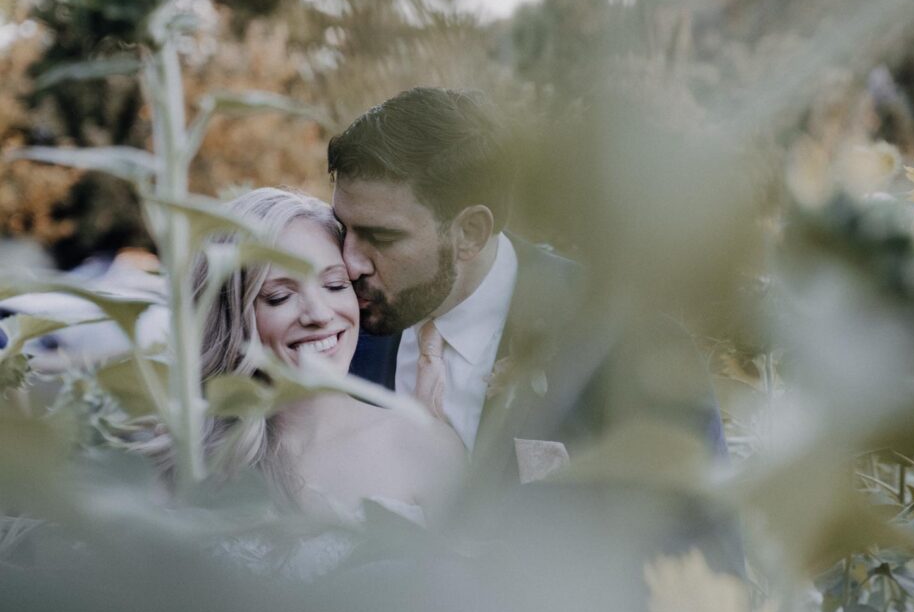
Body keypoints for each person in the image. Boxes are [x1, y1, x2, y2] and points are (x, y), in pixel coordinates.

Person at [328, 88, 727, 492]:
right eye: (344, 229)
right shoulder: (330, 329)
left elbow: (693, 524)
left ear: (470, 233)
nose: (349, 262)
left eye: (381, 237)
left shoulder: (627, 344)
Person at [193, 187, 464, 526]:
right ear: (231, 317)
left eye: (335, 285)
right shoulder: (185, 456)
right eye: (279, 296)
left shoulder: (424, 448)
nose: (320, 314)